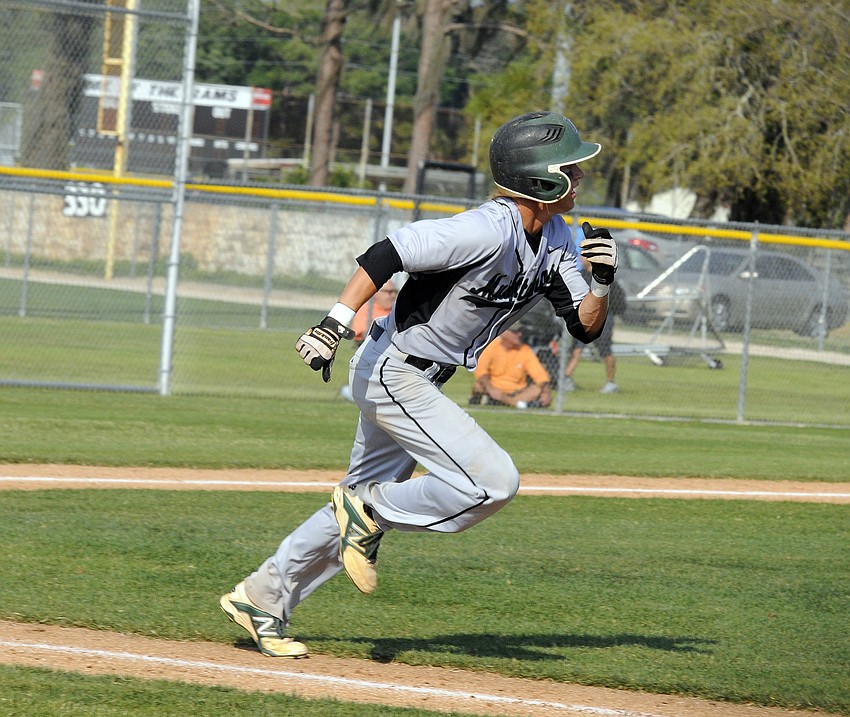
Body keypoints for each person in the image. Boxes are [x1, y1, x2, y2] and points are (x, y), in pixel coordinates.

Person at [219, 111, 618, 658]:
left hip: (418, 376)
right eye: (570, 166)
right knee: (492, 483)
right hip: (395, 369)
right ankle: (373, 511)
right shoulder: (485, 228)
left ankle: (262, 597)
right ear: (540, 179)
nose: (580, 175)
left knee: (352, 508)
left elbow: (585, 326)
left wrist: (601, 284)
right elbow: (389, 253)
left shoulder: (557, 238)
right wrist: (335, 323)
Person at [564, 252, 620, 394]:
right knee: (577, 348)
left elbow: (618, 298)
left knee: (605, 350)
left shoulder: (603, 275)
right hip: (583, 317)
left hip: (604, 318)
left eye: (584, 256)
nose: (580, 258)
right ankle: (566, 378)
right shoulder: (580, 275)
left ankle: (611, 382)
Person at [470, 322, 552, 408]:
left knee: (537, 389)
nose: (520, 334)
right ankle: (517, 404)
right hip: (494, 389)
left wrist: (546, 392)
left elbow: (541, 376)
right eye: (515, 332)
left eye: (521, 332)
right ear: (504, 332)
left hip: (518, 393)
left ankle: (509, 402)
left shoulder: (525, 350)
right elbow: (481, 371)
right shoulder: (491, 347)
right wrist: (490, 388)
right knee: (478, 385)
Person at [340, 280, 398, 401]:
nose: (392, 295)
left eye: (394, 292)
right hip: (374, 351)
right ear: (377, 293)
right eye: (388, 292)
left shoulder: (397, 310)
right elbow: (360, 333)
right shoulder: (367, 309)